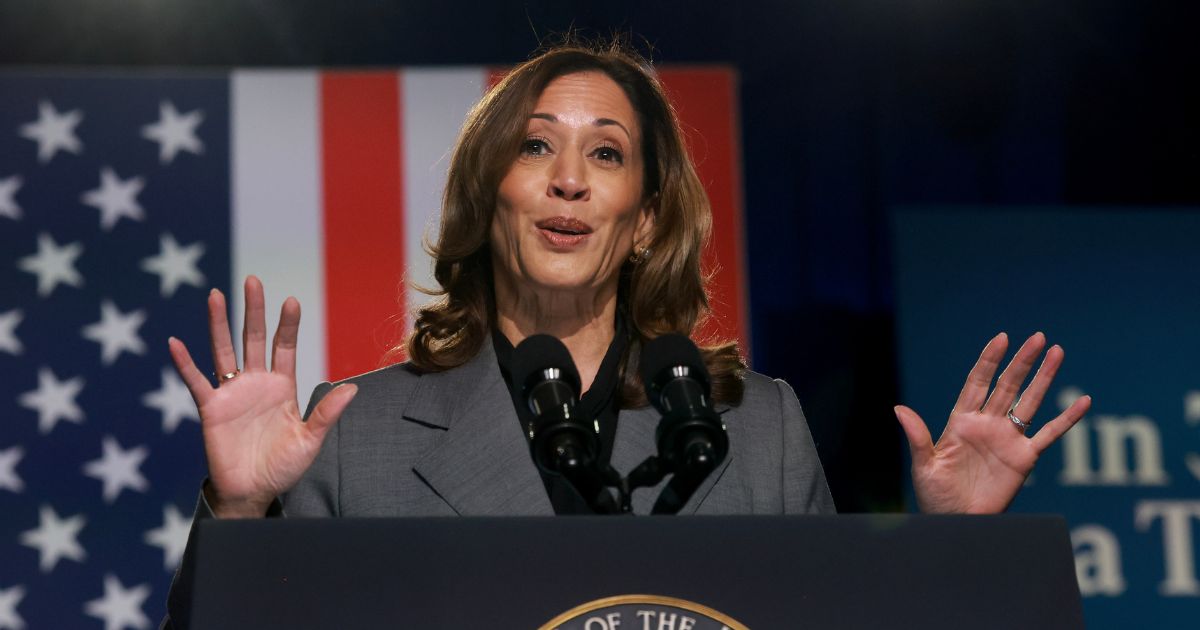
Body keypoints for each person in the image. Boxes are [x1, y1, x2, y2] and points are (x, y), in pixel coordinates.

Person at [162, 41, 1091, 622]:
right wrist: (241, 515)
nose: (570, 179)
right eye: (536, 146)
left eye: (605, 153)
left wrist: (959, 554)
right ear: (490, 197)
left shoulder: (757, 425)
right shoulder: (352, 431)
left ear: (645, 217)